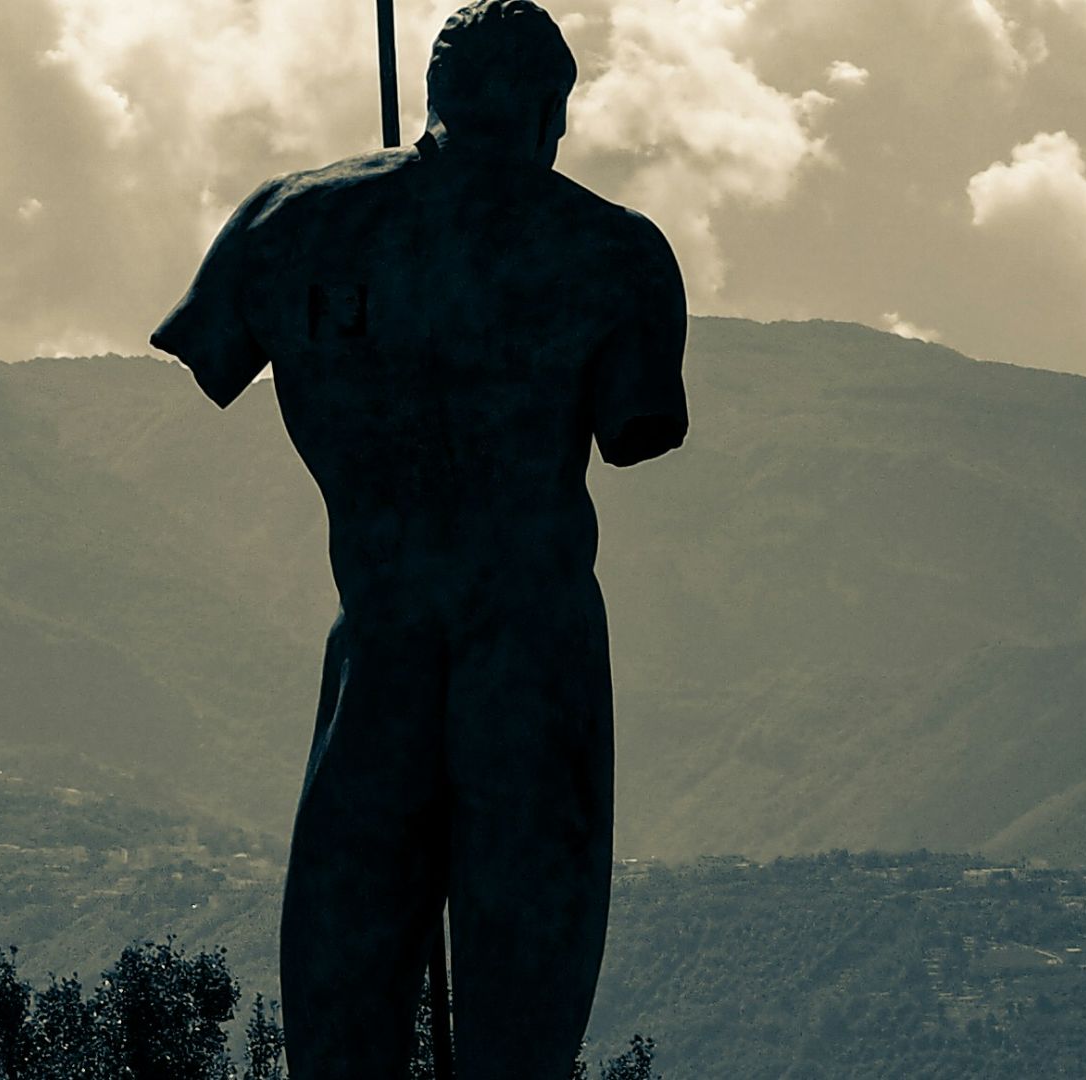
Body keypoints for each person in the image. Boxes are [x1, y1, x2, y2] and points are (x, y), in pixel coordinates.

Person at [148, 2, 689, 1076]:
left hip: (381, 639)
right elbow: (637, 430)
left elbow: (212, 348)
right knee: (524, 1004)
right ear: (550, 111)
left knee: (343, 996)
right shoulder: (610, 254)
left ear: (438, 102)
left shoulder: (290, 223)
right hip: (533, 652)